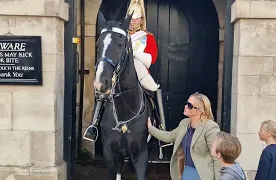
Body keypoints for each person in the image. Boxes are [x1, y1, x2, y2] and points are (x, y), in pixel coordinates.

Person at [83, 0, 169, 143]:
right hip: (119, 71)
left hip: (139, 72)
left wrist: (132, 53)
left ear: (142, 19)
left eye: (137, 17)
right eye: (131, 17)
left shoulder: (148, 37)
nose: (133, 21)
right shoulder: (119, 34)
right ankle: (94, 125)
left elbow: (151, 58)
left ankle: (161, 126)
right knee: (103, 93)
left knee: (154, 90)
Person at [147, 92, 221, 180]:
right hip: (188, 171)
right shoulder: (184, 123)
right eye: (187, 103)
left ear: (199, 111)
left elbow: (217, 157)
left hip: (203, 174)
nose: (185, 106)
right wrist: (150, 128)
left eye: (189, 105)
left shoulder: (210, 127)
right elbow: (169, 136)